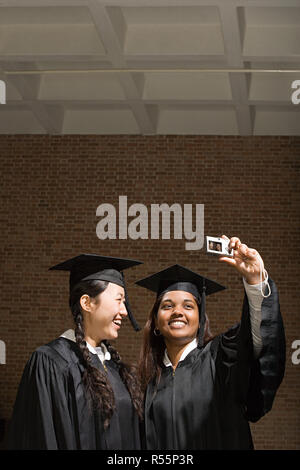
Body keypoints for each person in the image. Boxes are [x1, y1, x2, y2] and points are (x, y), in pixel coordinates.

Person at [137, 236, 285, 450]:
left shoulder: (220, 359)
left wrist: (255, 281)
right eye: (167, 306)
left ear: (200, 320)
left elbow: (259, 344)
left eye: (188, 306)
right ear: (156, 324)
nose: (177, 312)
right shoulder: (150, 383)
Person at [8, 254, 143, 450]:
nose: (124, 311)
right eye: (119, 300)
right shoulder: (52, 362)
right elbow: (42, 438)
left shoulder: (116, 368)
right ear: (87, 303)